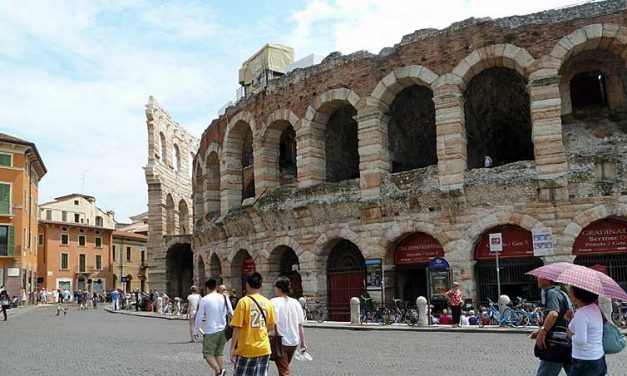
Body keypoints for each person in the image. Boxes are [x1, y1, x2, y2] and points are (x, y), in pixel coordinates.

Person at [230, 272, 275, 376]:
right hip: (264, 348)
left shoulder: (243, 302)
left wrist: (232, 348)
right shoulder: (268, 302)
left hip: (247, 349)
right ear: (261, 285)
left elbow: (237, 327)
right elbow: (271, 325)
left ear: (247, 284)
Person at [530, 277, 572, 376]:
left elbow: (553, 314)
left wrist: (543, 331)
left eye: (540, 277)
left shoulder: (552, 293)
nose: (537, 279)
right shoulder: (562, 293)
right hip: (565, 341)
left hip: (556, 343)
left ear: (547, 280)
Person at [194, 278, 233, 376]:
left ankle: (219, 371)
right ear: (216, 287)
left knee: (207, 353)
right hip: (223, 329)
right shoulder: (224, 297)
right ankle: (221, 371)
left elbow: (199, 317)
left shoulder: (204, 299)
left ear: (207, 288)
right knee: (218, 353)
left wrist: (196, 330)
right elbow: (231, 312)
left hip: (211, 330)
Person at [271, 276, 307, 376]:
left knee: (284, 371)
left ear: (279, 288)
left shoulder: (273, 302)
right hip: (294, 341)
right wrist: (303, 343)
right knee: (284, 368)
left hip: (280, 341)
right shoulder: (295, 303)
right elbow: (300, 325)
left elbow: (270, 322)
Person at [566, 286, 606, 375]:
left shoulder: (581, 314)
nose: (569, 295)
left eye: (571, 293)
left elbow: (581, 340)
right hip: (598, 356)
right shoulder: (594, 308)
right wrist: (570, 319)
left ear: (579, 296)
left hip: (584, 359)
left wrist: (570, 335)